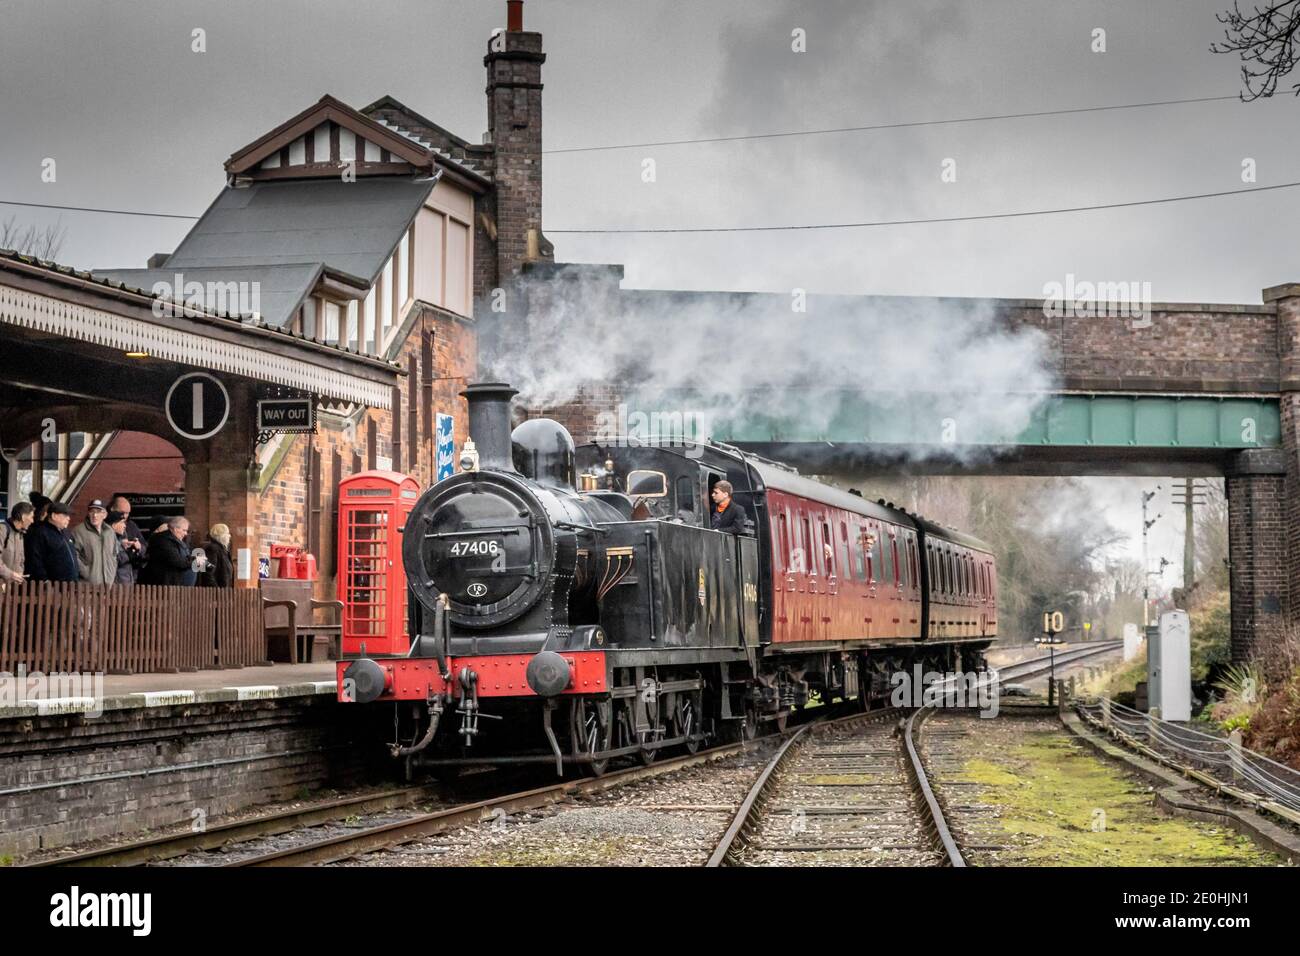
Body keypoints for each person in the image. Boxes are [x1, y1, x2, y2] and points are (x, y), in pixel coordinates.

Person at [24, 501, 79, 582]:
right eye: (65, 515)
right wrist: (45, 581)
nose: (69, 518)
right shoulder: (40, 532)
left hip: (70, 586)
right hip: (51, 588)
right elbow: (35, 560)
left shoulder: (66, 533)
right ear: (53, 516)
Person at [145, 515, 206, 587]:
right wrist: (196, 560)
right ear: (175, 529)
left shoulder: (177, 540)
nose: (186, 533)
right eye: (184, 530)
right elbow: (178, 561)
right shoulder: (163, 540)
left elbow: (185, 558)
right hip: (167, 586)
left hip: (179, 585)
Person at [72, 499, 117, 585]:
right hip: (87, 587)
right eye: (92, 511)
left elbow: (114, 554)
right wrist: (87, 573)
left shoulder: (110, 532)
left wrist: (111, 574)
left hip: (107, 585)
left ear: (105, 515)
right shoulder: (78, 531)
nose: (95, 515)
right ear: (88, 513)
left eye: (98, 512)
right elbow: (74, 555)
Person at [108, 494, 147, 574]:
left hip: (131, 573)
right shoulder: (104, 526)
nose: (125, 516)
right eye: (122, 512)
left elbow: (144, 547)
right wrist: (121, 546)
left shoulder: (131, 525)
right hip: (114, 574)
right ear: (112, 509)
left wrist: (138, 547)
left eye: (127, 513)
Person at [0, 501, 35, 586]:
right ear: (23, 517)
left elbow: (21, 559)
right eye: (31, 517)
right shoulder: (2, 529)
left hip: (9, 587)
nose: (32, 521)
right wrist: (10, 574)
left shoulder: (20, 534)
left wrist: (19, 574)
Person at [198, 523, 234, 588]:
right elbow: (208, 573)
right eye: (228, 533)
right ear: (222, 536)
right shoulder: (213, 549)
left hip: (223, 590)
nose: (229, 536)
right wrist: (216, 590)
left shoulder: (223, 550)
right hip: (215, 593)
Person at [106, 510, 136, 585]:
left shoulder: (119, 539)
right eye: (122, 522)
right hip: (116, 585)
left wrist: (132, 550)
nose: (124, 526)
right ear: (114, 525)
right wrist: (129, 552)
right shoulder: (108, 540)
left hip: (124, 583)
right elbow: (117, 560)